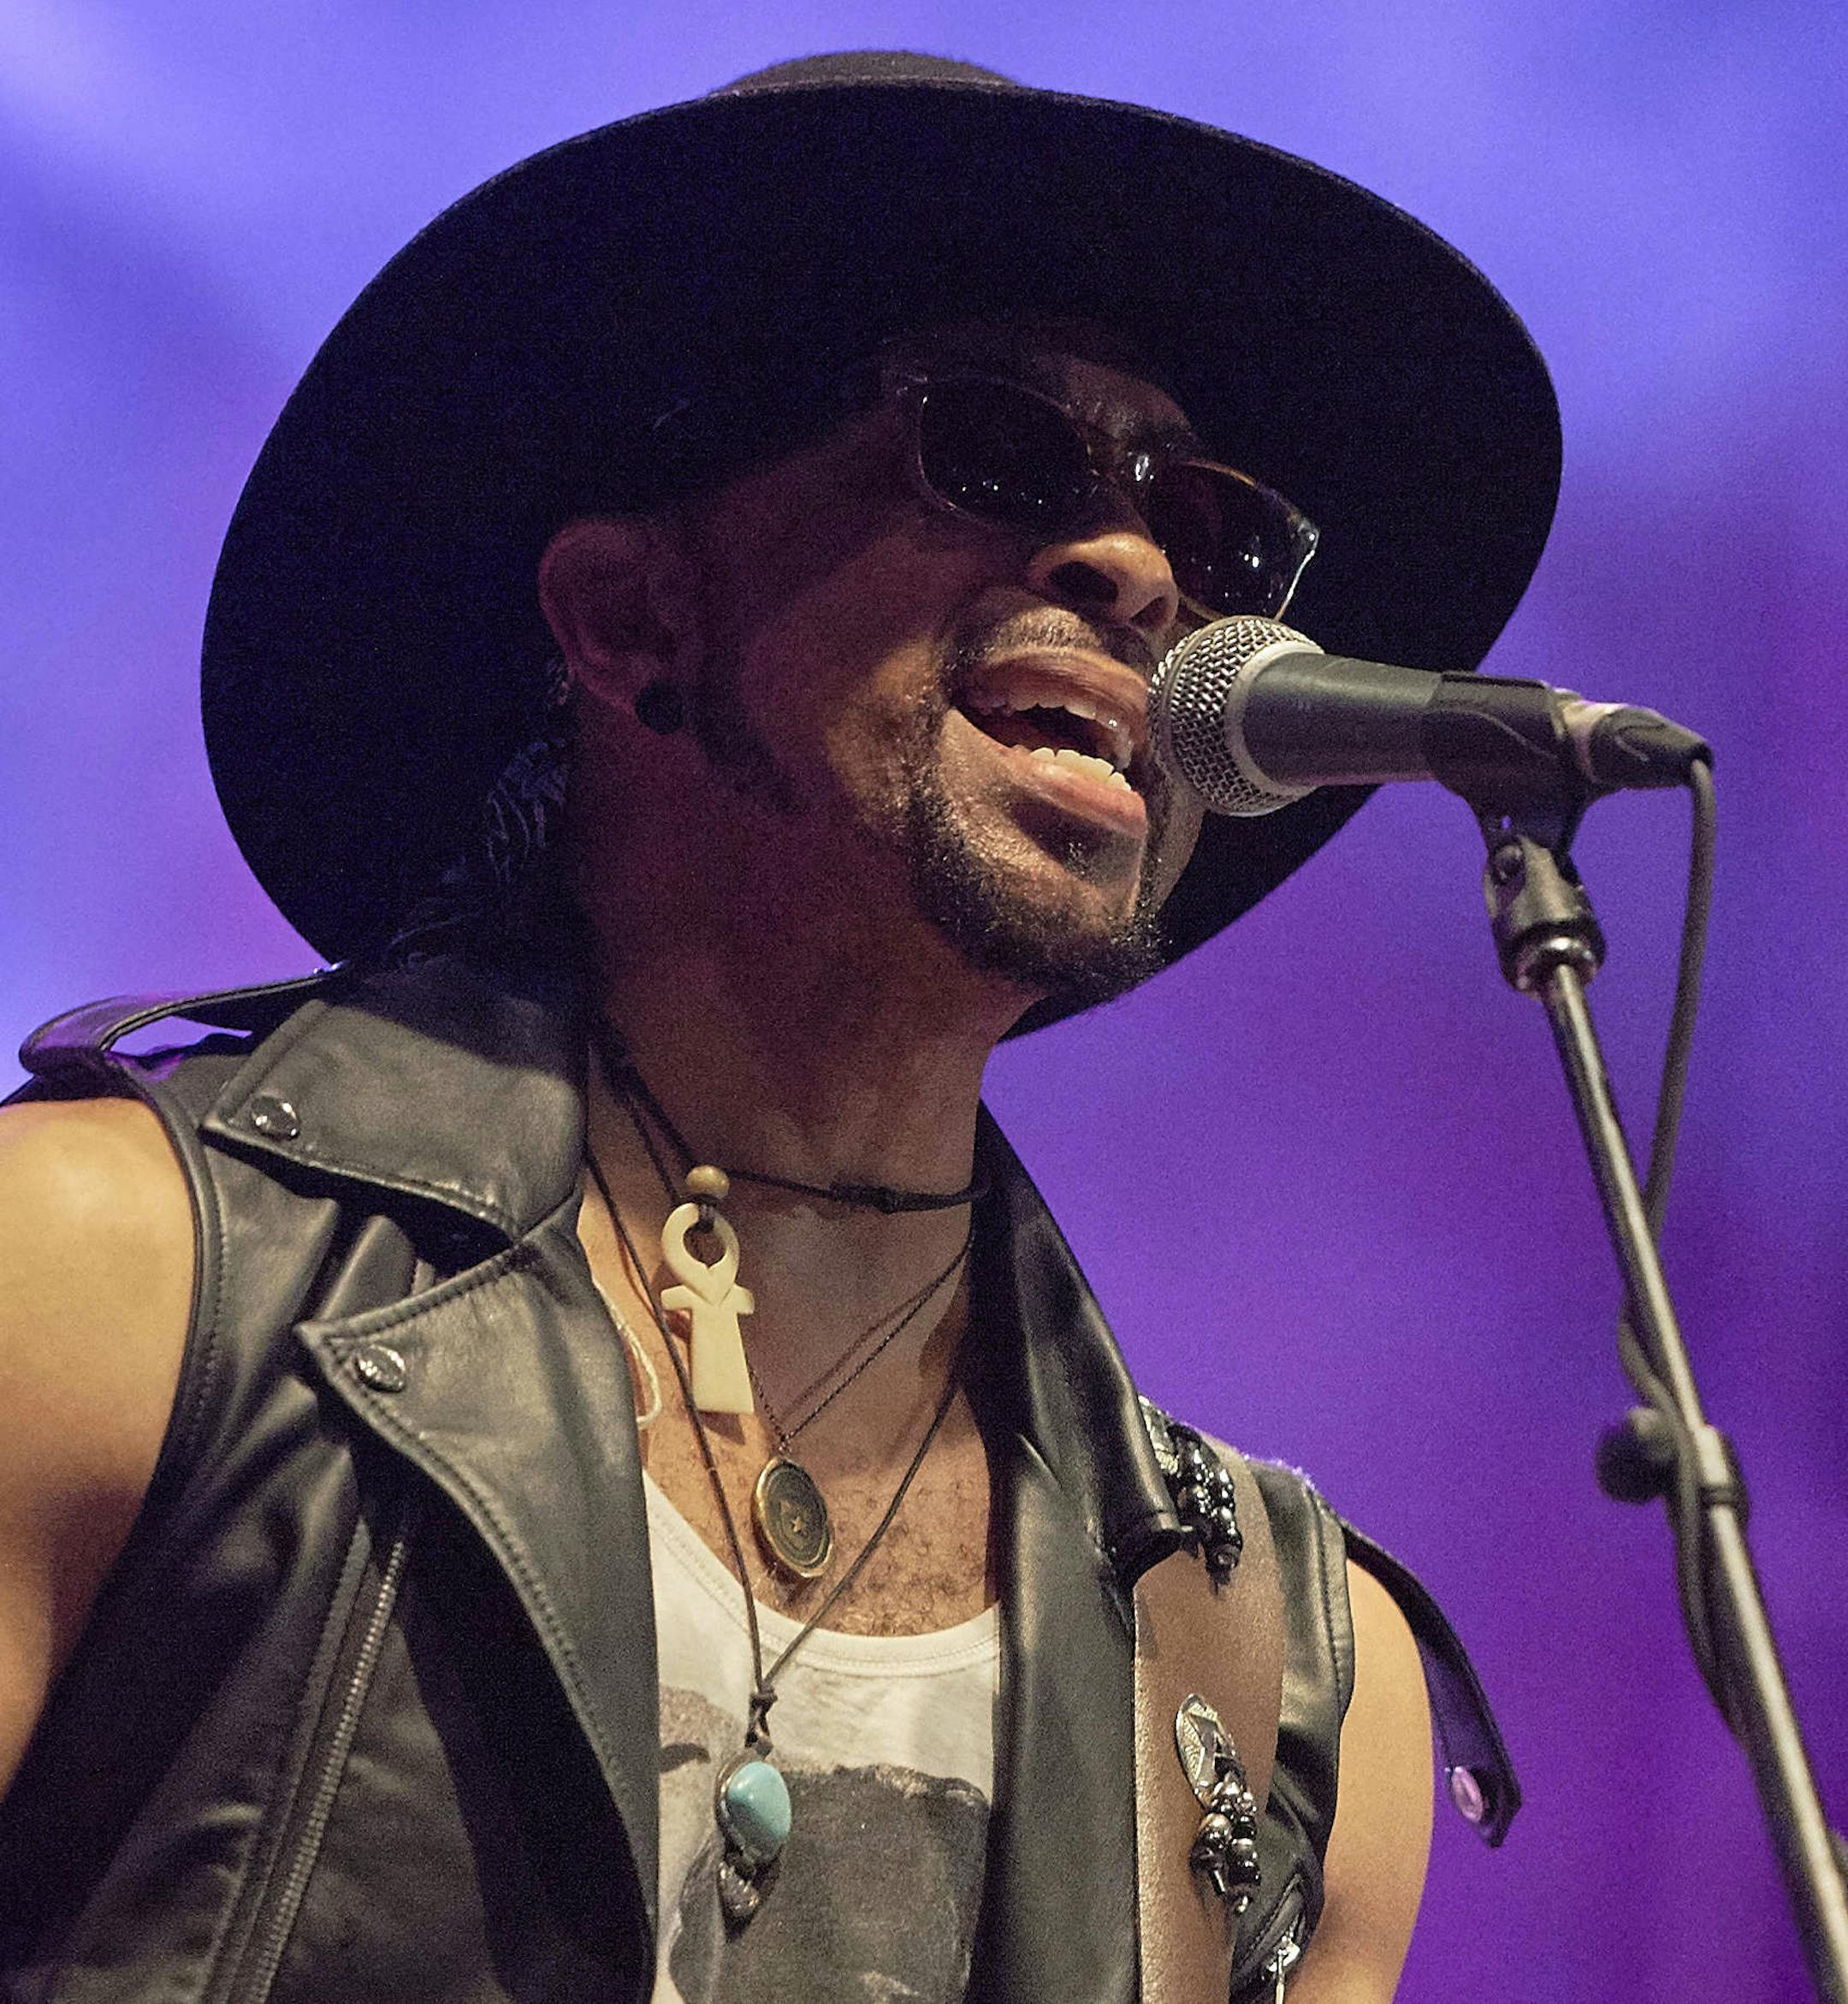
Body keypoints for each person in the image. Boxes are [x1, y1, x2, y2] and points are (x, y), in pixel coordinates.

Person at [0, 52, 1559, 2004]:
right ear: (632, 618)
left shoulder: (1298, 1677)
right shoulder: (108, 1283)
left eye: (1212, 534)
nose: (1140, 569)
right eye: (993, 450)